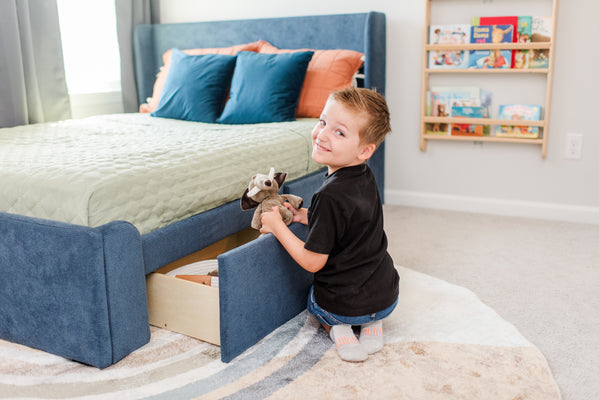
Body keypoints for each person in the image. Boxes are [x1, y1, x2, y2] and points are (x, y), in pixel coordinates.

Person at [260, 87, 399, 362]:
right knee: (366, 295)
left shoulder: (328, 194)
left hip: (343, 305)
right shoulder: (365, 174)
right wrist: (306, 216)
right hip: (387, 294)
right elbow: (352, 224)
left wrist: (277, 226)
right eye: (323, 122)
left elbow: (312, 262)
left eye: (340, 132)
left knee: (315, 299)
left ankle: (338, 328)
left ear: (364, 150)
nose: (322, 134)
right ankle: (373, 323)